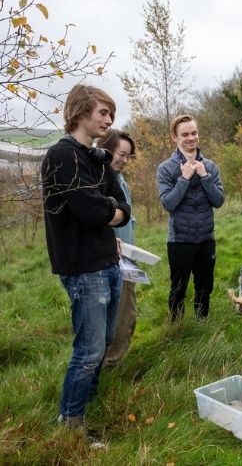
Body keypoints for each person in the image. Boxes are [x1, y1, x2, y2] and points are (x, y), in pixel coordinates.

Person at [41, 84, 130, 427]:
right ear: (80, 112)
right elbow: (93, 212)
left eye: (111, 114)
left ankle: (90, 402)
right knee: (89, 350)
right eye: (103, 113)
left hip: (108, 261)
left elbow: (120, 205)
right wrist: (109, 209)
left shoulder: (96, 158)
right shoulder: (62, 156)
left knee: (104, 341)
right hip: (83, 266)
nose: (109, 121)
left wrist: (111, 209)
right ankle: (71, 421)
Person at [157, 114, 225, 322]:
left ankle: (201, 324)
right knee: (178, 289)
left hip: (206, 238)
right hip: (180, 240)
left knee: (205, 288)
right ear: (174, 138)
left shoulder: (211, 167)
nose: (190, 138)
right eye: (185, 134)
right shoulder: (166, 168)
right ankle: (176, 327)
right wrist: (184, 178)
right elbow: (168, 203)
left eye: (193, 133)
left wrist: (204, 177)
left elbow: (218, 200)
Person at [98, 129, 138, 365]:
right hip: (108, 261)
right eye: (120, 154)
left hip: (127, 258)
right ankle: (109, 365)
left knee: (127, 312)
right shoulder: (98, 180)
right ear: (107, 149)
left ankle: (113, 360)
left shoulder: (120, 180)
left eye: (127, 156)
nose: (123, 160)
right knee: (117, 315)